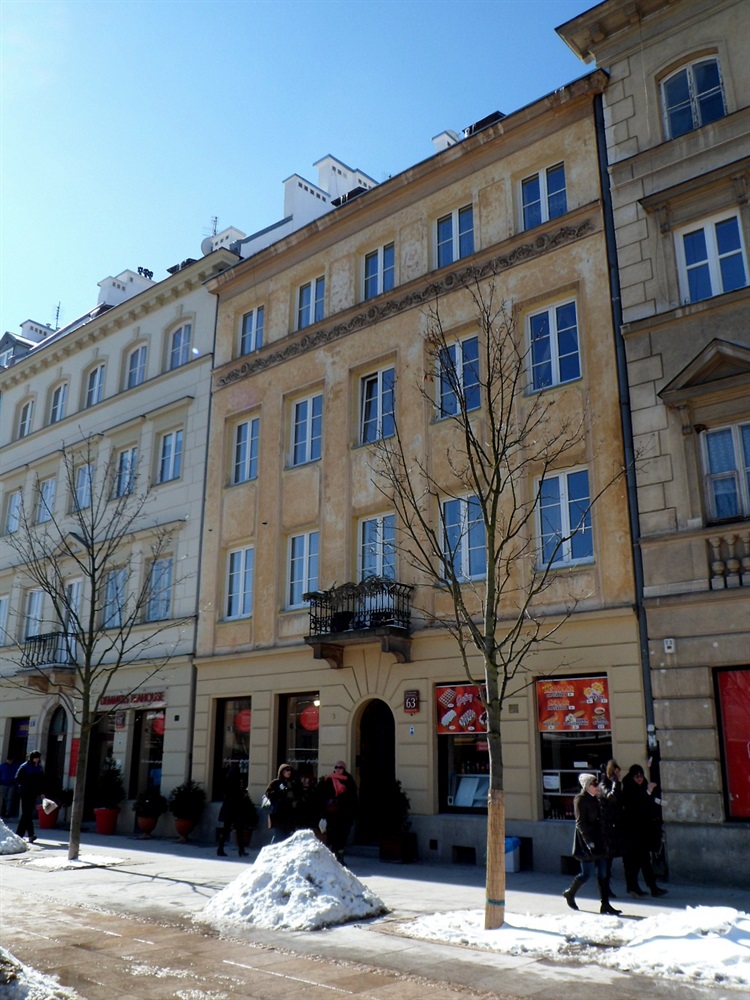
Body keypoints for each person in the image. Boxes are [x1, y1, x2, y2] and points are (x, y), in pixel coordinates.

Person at [562, 772, 621, 915]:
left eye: (597, 783)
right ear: (587, 786)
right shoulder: (580, 799)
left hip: (600, 840)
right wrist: (588, 841)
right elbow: (580, 823)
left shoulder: (597, 798)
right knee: (586, 873)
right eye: (594, 784)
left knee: (603, 873)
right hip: (587, 841)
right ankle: (570, 893)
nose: (597, 786)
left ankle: (605, 904)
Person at [621, 763, 668, 898]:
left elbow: (648, 802)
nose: (639, 778)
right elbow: (635, 803)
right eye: (636, 776)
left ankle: (645, 887)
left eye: (641, 775)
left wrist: (658, 802)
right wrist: (647, 792)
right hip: (632, 832)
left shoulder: (643, 786)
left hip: (643, 831)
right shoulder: (628, 788)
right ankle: (640, 887)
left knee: (643, 861)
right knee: (636, 862)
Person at [318, 760, 357, 864]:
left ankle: (340, 858)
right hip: (331, 814)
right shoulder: (329, 780)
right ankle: (332, 859)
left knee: (342, 837)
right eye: (336, 767)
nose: (338, 769)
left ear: (344, 769)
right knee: (332, 836)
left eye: (340, 768)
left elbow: (353, 798)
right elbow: (322, 796)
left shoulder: (349, 780)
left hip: (344, 814)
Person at [599, 759, 625, 899]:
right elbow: (612, 797)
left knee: (610, 861)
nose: (619, 775)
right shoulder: (604, 784)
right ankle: (604, 889)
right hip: (606, 829)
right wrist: (615, 782)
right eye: (617, 772)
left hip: (614, 827)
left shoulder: (613, 784)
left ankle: (607, 888)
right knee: (606, 862)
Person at [217, 761, 251, 857]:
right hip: (234, 808)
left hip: (230, 808)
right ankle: (240, 850)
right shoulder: (235, 783)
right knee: (237, 829)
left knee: (229, 829)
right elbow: (236, 795)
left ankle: (223, 848)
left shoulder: (228, 779)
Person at [264, 763, 302, 844]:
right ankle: (270, 851)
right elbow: (268, 794)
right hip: (278, 815)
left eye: (290, 770)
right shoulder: (276, 783)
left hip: (290, 816)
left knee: (288, 838)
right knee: (278, 836)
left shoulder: (293, 783)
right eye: (287, 770)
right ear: (282, 772)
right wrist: (280, 792)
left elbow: (298, 796)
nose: (289, 772)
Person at [15, 751, 45, 843]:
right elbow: (17, 778)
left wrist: (41, 792)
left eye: (38, 758)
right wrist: (26, 784)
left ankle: (22, 835)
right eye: (35, 758)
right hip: (25, 792)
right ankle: (25, 835)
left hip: (33, 793)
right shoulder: (24, 767)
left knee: (27, 814)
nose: (37, 760)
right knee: (27, 813)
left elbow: (41, 782)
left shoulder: (38, 768)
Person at [0, 754, 19, 819]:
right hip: (3, 784)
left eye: (10, 760)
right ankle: (3, 812)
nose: (9, 761)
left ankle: (7, 813)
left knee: (10, 799)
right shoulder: (2, 766)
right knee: (4, 799)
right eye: (8, 760)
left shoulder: (15, 767)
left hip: (11, 784)